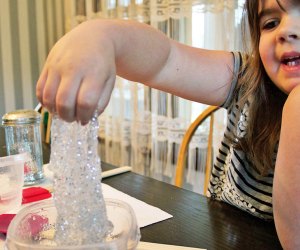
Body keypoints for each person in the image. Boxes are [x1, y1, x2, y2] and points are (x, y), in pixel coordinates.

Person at [36, 0, 300, 248]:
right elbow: (165, 60)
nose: (285, 30)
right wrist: (100, 35)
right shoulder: (248, 81)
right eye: (270, 23)